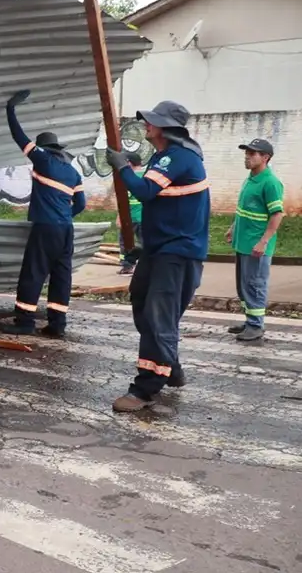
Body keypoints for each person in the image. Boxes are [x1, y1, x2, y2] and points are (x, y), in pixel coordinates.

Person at [105, 100, 209, 413]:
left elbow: (145, 192)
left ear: (167, 128)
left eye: (153, 121)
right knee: (140, 299)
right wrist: (145, 246)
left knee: (158, 318)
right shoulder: (165, 156)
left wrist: (123, 166)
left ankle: (146, 388)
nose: (147, 125)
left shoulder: (179, 157)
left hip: (178, 253)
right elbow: (163, 205)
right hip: (161, 249)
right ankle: (170, 364)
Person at [2, 89, 86, 338]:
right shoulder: (73, 172)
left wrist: (10, 109)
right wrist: (63, 216)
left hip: (45, 228)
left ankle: (25, 322)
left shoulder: (43, 160)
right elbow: (80, 204)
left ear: (44, 148)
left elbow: (19, 137)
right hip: (65, 230)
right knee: (61, 275)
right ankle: (57, 325)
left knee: (34, 272)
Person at [226, 138, 284, 343]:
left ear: (265, 157)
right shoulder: (251, 178)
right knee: (243, 286)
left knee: (255, 284)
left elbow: (277, 214)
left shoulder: (270, 182)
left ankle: (256, 325)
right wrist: (233, 227)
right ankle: (250, 319)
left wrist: (264, 241)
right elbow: (245, 209)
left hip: (256, 245)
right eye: (247, 153)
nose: (247, 157)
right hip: (243, 242)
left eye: (252, 154)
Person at [117, 152, 145, 275]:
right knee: (146, 242)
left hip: (129, 218)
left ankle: (127, 266)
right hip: (145, 217)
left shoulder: (127, 178)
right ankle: (146, 266)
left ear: (128, 163)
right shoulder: (148, 175)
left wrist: (119, 217)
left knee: (125, 242)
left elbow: (123, 200)